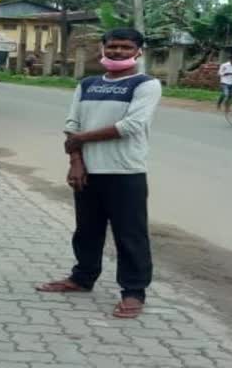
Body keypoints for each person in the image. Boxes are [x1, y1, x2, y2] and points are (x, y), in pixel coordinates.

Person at [35, 28, 162, 319]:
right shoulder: (88, 83)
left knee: (130, 236)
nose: (118, 51)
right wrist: (76, 161)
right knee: (86, 231)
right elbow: (72, 122)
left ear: (138, 52)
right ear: (103, 48)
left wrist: (81, 138)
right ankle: (82, 278)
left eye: (126, 47)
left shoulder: (146, 84)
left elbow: (131, 126)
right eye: (113, 46)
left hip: (125, 171)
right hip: (88, 171)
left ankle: (133, 292)